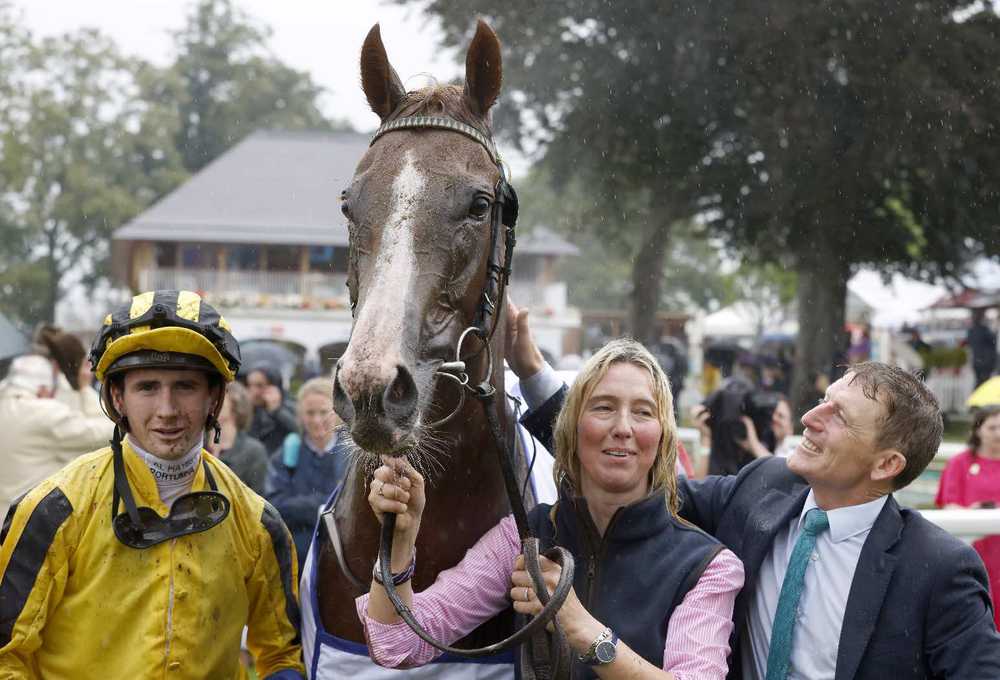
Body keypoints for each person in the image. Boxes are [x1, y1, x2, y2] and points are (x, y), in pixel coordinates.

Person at [516, 317, 1000, 677]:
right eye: (822, 400)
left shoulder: (940, 569)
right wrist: (533, 371)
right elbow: (624, 472)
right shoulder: (761, 488)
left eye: (839, 417)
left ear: (887, 465)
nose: (811, 418)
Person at [358, 332, 744, 679]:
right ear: (573, 429)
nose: (623, 427)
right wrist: (400, 541)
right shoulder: (525, 538)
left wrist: (582, 629)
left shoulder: (707, 567)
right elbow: (397, 645)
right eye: (603, 407)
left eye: (643, 412)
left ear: (662, 437)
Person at [0, 290, 305, 679]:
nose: (167, 409)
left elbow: (282, 656)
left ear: (214, 397)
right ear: (117, 397)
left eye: (185, 386)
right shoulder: (55, 510)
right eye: (147, 387)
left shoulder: (259, 523)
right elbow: (7, 653)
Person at [0, 353, 113, 519]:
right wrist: (84, 389)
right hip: (31, 521)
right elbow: (108, 429)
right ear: (43, 388)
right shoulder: (45, 414)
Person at [266, 376, 350, 571]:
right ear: (300, 415)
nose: (317, 420)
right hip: (298, 557)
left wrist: (302, 505)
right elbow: (274, 507)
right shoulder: (287, 454)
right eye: (310, 413)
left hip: (342, 558)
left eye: (323, 412)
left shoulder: (350, 454)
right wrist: (324, 506)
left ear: (336, 412)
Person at [936, 406, 1000, 629]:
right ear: (979, 429)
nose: (998, 433)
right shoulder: (959, 463)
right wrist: (973, 512)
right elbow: (947, 505)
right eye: (993, 427)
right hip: (971, 553)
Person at [209, 380, 269, 494]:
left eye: (220, 397)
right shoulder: (198, 444)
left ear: (236, 403)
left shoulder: (254, 451)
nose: (212, 402)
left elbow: (260, 501)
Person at [247, 363, 298, 453]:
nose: (253, 391)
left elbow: (299, 430)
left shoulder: (290, 406)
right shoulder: (249, 409)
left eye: (259, 385)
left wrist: (276, 411)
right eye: (250, 385)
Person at [968, 309, 998, 387]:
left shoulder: (971, 331)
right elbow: (993, 341)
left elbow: (970, 344)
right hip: (985, 362)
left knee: (979, 382)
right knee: (985, 383)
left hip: (977, 362)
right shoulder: (985, 330)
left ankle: (976, 397)